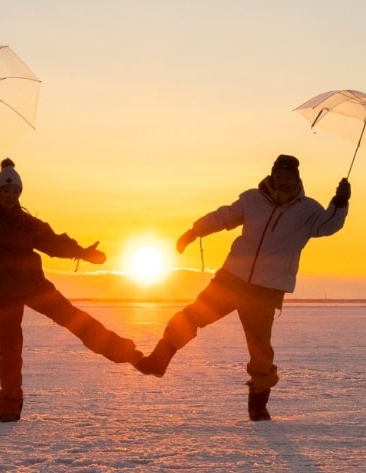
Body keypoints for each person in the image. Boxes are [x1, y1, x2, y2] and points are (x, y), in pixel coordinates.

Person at [133, 153, 349, 420]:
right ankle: (158, 361)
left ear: (296, 178)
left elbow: (328, 226)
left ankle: (258, 406)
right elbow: (224, 217)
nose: (283, 179)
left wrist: (340, 202)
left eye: (288, 175)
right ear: (272, 174)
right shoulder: (252, 199)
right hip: (231, 279)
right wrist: (193, 232)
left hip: (266, 290)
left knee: (260, 351)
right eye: (279, 174)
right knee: (191, 317)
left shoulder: (308, 210)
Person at [0, 123, 140, 421]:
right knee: (11, 351)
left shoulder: (27, 223)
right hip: (4, 295)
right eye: (6, 189)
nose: (11, 194)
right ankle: (9, 405)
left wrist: (84, 252)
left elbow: (54, 243)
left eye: (15, 190)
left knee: (76, 320)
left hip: (34, 286)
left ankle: (125, 352)